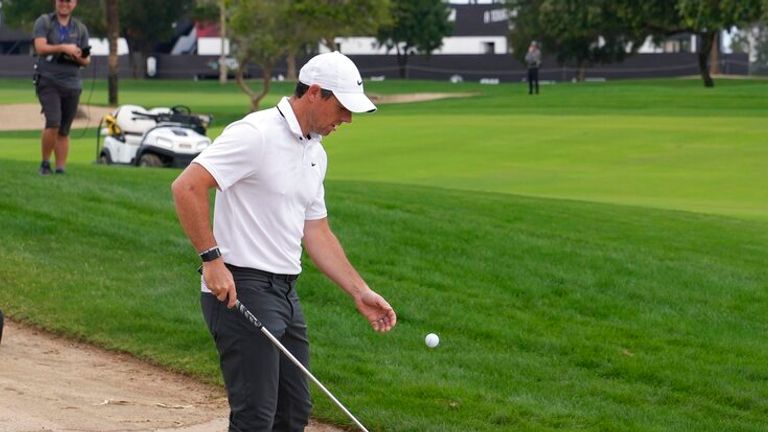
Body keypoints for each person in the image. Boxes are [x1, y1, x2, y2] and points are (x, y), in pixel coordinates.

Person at [171, 51, 397, 432]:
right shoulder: (256, 134)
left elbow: (317, 232)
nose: (347, 119)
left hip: (286, 293)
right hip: (241, 288)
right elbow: (187, 186)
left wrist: (359, 291)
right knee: (256, 418)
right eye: (341, 108)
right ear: (314, 92)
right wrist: (212, 260)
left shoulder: (315, 151)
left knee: (293, 411)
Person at [33, 0, 91, 175]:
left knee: (64, 128)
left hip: (72, 83)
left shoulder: (80, 29)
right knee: (53, 122)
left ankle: (60, 169)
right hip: (48, 80)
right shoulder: (44, 22)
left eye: (68, 1)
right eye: (61, 0)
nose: (64, 4)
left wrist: (75, 55)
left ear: (75, 4)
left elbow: (86, 60)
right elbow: (40, 47)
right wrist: (63, 48)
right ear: (56, 2)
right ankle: (44, 164)